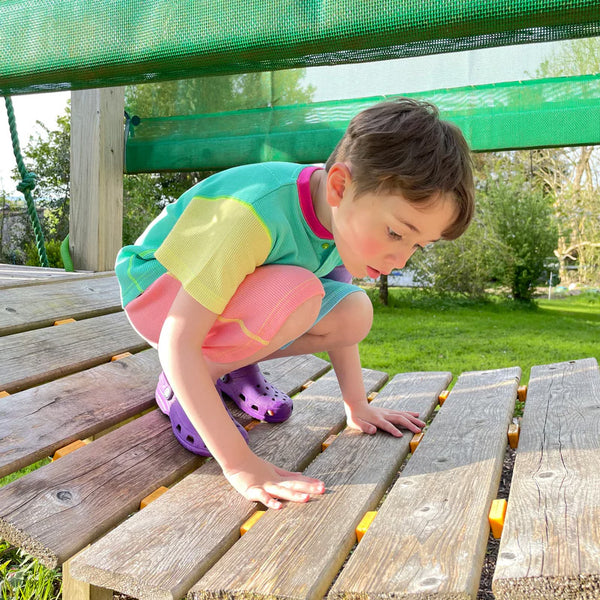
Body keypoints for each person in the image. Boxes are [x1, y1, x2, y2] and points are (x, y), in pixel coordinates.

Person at [115, 98, 474, 509]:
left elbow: (339, 311)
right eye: (396, 233)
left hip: (216, 295)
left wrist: (357, 406)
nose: (399, 261)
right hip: (158, 288)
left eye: (418, 246)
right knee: (298, 293)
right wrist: (240, 465)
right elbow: (178, 340)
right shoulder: (253, 215)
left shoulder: (336, 217)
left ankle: (229, 368)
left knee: (354, 311)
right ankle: (187, 384)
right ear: (340, 185)